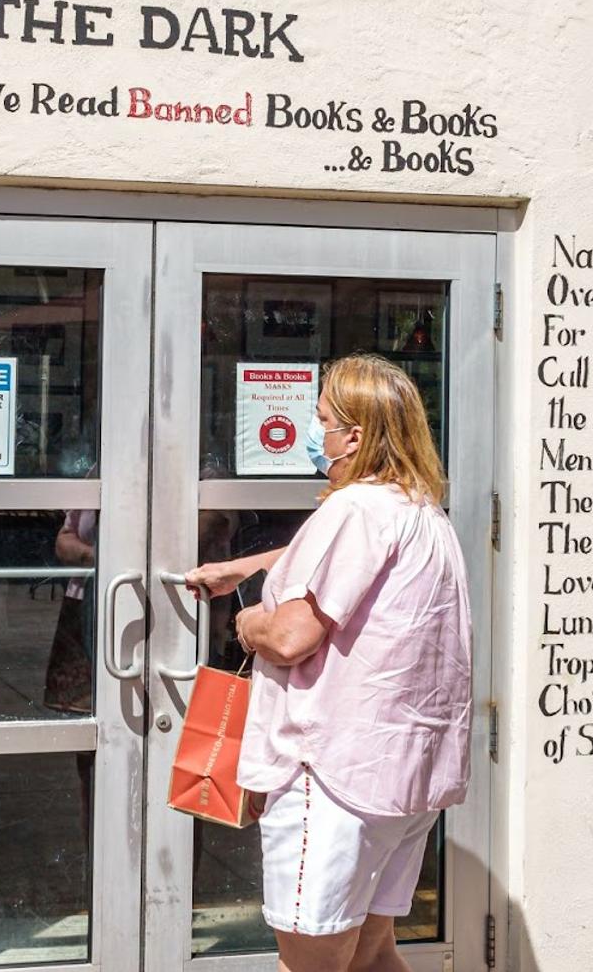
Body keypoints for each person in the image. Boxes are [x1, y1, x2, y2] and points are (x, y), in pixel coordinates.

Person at [185, 353, 472, 972]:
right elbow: (336, 559)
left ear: (356, 436)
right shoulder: (419, 510)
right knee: (371, 955)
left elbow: (290, 637)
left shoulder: (355, 509)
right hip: (401, 780)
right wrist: (245, 568)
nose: (314, 433)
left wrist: (246, 622)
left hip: (335, 782)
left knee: (311, 961)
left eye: (321, 419)